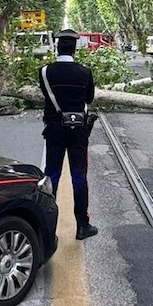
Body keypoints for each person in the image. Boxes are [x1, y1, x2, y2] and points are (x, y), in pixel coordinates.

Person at [38, 29, 98, 240]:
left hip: (54, 129)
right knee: (79, 176)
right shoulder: (84, 72)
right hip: (78, 131)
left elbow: (47, 95)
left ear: (57, 47)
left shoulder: (45, 72)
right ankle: (82, 225)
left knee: (51, 175)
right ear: (74, 48)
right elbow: (89, 99)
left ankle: (46, 229)